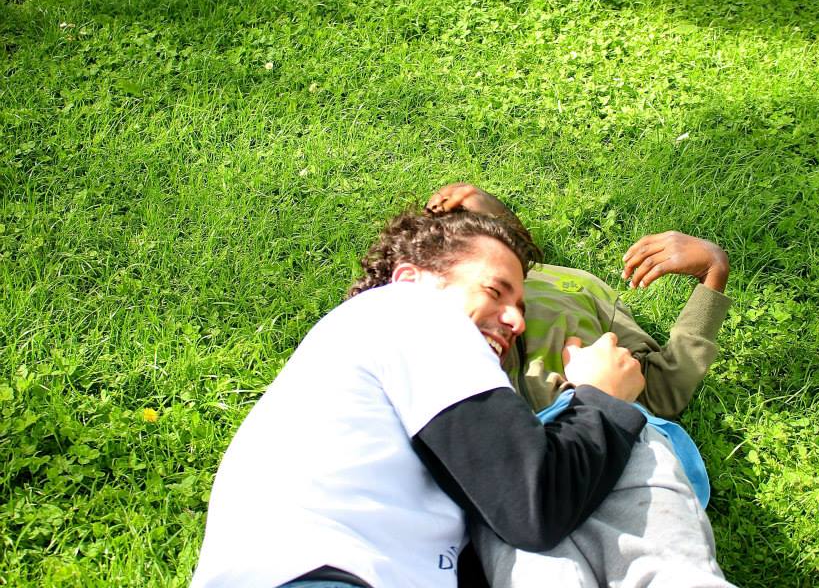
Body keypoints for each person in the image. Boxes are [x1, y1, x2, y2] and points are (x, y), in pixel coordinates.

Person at [191, 208, 650, 588]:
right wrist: (601, 397)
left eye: (521, 307)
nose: (517, 321)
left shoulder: (378, 365)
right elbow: (533, 506)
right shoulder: (416, 311)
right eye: (495, 291)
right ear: (409, 278)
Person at [426, 184, 736, 588]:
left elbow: (660, 391)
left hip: (614, 447)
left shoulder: (576, 287)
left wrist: (713, 273)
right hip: (511, 469)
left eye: (487, 216)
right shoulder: (426, 309)